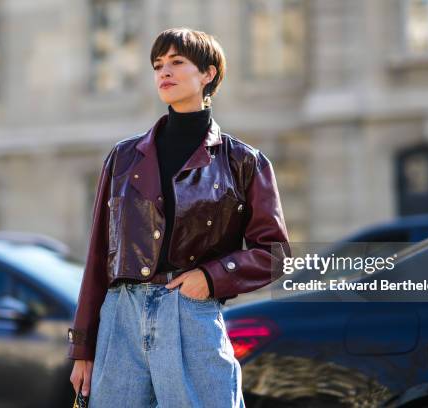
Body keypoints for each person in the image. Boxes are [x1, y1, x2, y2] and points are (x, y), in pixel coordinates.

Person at [68, 27, 291, 407]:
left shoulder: (242, 162)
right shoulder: (122, 158)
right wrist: (83, 347)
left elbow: (274, 253)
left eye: (176, 62)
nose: (164, 73)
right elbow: (97, 257)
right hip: (121, 318)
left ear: (208, 74)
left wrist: (210, 277)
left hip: (189, 313)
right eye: (157, 65)